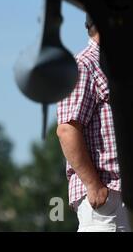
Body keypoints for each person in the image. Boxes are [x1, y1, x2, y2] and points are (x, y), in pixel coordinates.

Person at [56, 14, 131, 232]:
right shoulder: (84, 65)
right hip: (106, 200)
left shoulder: (119, 67)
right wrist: (94, 185)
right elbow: (67, 130)